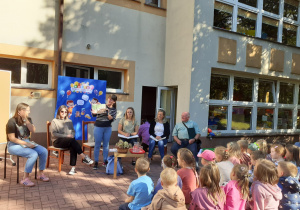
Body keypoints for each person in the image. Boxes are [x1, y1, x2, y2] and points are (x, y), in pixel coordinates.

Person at [6, 103, 49, 186]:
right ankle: (25, 178)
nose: (29, 112)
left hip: (26, 143)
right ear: (20, 111)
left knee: (44, 151)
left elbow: (33, 130)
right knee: (33, 154)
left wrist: (25, 119)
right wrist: (26, 143)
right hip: (14, 145)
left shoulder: (28, 119)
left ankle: (40, 174)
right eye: (27, 110)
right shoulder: (11, 121)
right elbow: (12, 138)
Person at [51, 105, 93, 175]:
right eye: (62, 111)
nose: (64, 113)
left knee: (73, 145)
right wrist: (67, 136)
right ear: (59, 112)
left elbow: (73, 131)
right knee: (72, 141)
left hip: (68, 141)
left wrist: (72, 135)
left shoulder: (69, 121)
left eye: (65, 112)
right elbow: (54, 134)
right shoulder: (54, 121)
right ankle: (83, 156)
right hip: (57, 141)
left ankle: (73, 168)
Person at [92, 95, 117, 169]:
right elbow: (93, 114)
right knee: (97, 145)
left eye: (112, 100)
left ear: (114, 101)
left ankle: (105, 161)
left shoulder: (114, 110)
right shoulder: (101, 105)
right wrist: (95, 108)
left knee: (106, 145)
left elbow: (111, 119)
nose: (110, 101)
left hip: (107, 128)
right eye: (109, 99)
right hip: (98, 127)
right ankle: (96, 162)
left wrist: (107, 112)